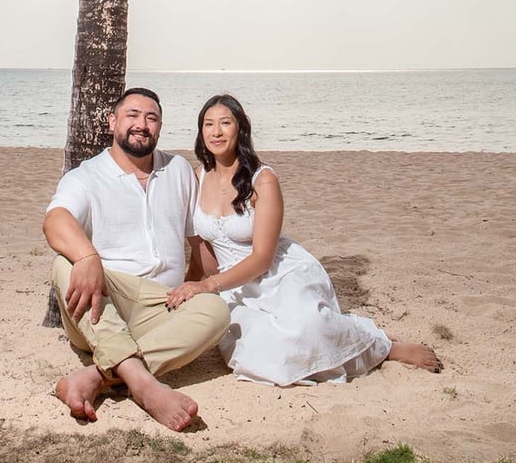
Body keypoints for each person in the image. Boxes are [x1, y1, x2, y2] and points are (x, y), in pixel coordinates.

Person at [166, 94, 443, 386]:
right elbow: (200, 250)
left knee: (309, 328)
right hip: (232, 287)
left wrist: (208, 285)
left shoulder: (263, 180)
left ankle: (385, 347)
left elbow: (262, 258)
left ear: (241, 129)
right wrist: (187, 287)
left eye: (225, 123)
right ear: (201, 132)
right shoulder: (197, 178)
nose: (216, 131)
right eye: (208, 124)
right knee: (261, 353)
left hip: (277, 274)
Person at [43, 87, 230, 430]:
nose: (141, 124)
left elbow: (198, 242)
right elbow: (55, 220)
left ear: (160, 126)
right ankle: (144, 387)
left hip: (164, 306)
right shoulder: (86, 176)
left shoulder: (178, 170)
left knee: (216, 310)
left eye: (151, 118)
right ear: (113, 121)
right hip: (105, 305)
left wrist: (201, 284)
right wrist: (86, 256)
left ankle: (99, 377)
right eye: (132, 115)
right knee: (64, 264)